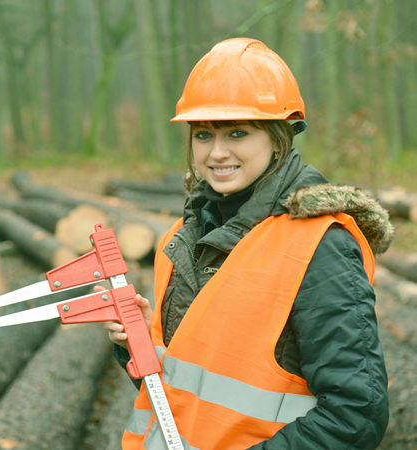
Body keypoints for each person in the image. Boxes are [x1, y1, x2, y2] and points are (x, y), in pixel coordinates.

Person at [102, 38, 393, 449]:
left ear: (278, 138)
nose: (217, 152)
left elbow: (356, 414)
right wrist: (138, 345)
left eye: (237, 132)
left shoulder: (319, 245)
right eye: (203, 135)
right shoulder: (184, 238)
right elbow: (188, 389)